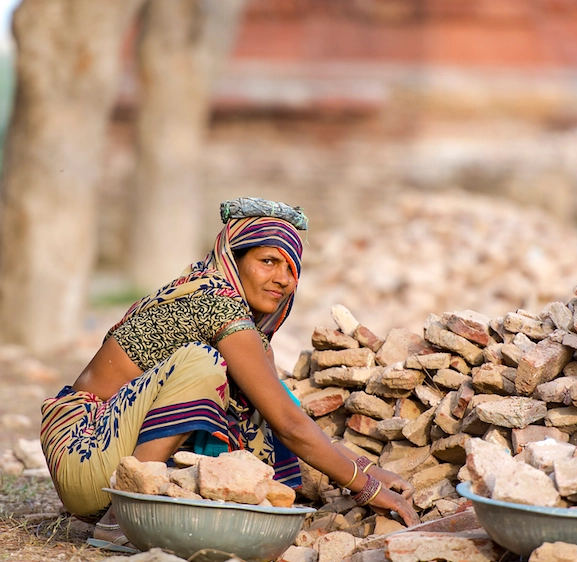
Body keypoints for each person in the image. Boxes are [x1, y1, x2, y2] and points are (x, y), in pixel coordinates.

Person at [41, 198, 418, 549]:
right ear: (232, 261)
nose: (283, 279)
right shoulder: (213, 301)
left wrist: (364, 466)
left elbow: (284, 412)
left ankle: (132, 504)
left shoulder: (249, 335)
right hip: (83, 449)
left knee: (251, 401)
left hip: (107, 463)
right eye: (268, 261)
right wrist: (364, 487)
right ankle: (120, 519)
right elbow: (290, 425)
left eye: (291, 268)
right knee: (202, 364)